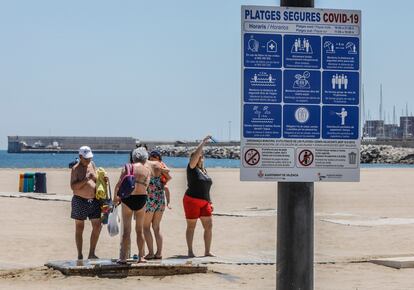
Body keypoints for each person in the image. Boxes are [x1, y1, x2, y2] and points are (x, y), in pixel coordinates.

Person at [114, 147, 151, 263]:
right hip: (141, 198)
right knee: (139, 230)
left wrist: (116, 198)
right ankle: (141, 257)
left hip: (128, 198)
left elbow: (119, 184)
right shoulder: (147, 170)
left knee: (126, 231)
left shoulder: (128, 167)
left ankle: (123, 258)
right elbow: (147, 186)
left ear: (133, 157)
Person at [183, 135, 214, 257]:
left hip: (204, 202)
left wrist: (210, 202)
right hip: (191, 200)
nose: (201, 158)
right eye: (199, 157)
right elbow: (196, 154)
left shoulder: (204, 171)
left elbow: (207, 188)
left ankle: (207, 251)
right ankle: (190, 251)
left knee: (209, 226)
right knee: (191, 226)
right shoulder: (191, 168)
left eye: (202, 157)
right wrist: (203, 142)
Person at [70, 146, 102, 260]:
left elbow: (98, 180)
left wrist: (97, 178)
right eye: (86, 158)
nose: (88, 160)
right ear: (80, 157)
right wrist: (85, 180)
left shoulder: (92, 164)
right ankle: (80, 254)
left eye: (89, 158)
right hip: (80, 200)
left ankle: (91, 253)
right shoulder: (75, 169)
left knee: (97, 226)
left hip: (94, 200)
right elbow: (73, 187)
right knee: (79, 228)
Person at [143, 150, 172, 260]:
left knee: (146, 227)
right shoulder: (161, 167)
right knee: (156, 227)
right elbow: (169, 178)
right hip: (160, 199)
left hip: (150, 198)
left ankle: (150, 253)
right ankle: (159, 253)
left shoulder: (147, 166)